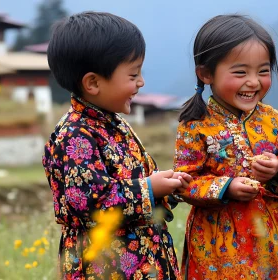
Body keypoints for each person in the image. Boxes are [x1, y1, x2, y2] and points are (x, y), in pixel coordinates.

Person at [42, 11, 191, 279]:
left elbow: (133, 181)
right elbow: (88, 202)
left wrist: (165, 186)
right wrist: (149, 188)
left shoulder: (114, 123)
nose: (141, 82)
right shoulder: (75, 134)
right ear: (93, 83)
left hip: (143, 260)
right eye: (133, 74)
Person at [173, 14, 278, 279]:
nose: (254, 82)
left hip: (273, 237)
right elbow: (184, 182)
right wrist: (226, 187)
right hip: (216, 244)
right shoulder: (195, 125)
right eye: (240, 72)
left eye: (263, 71)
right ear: (206, 74)